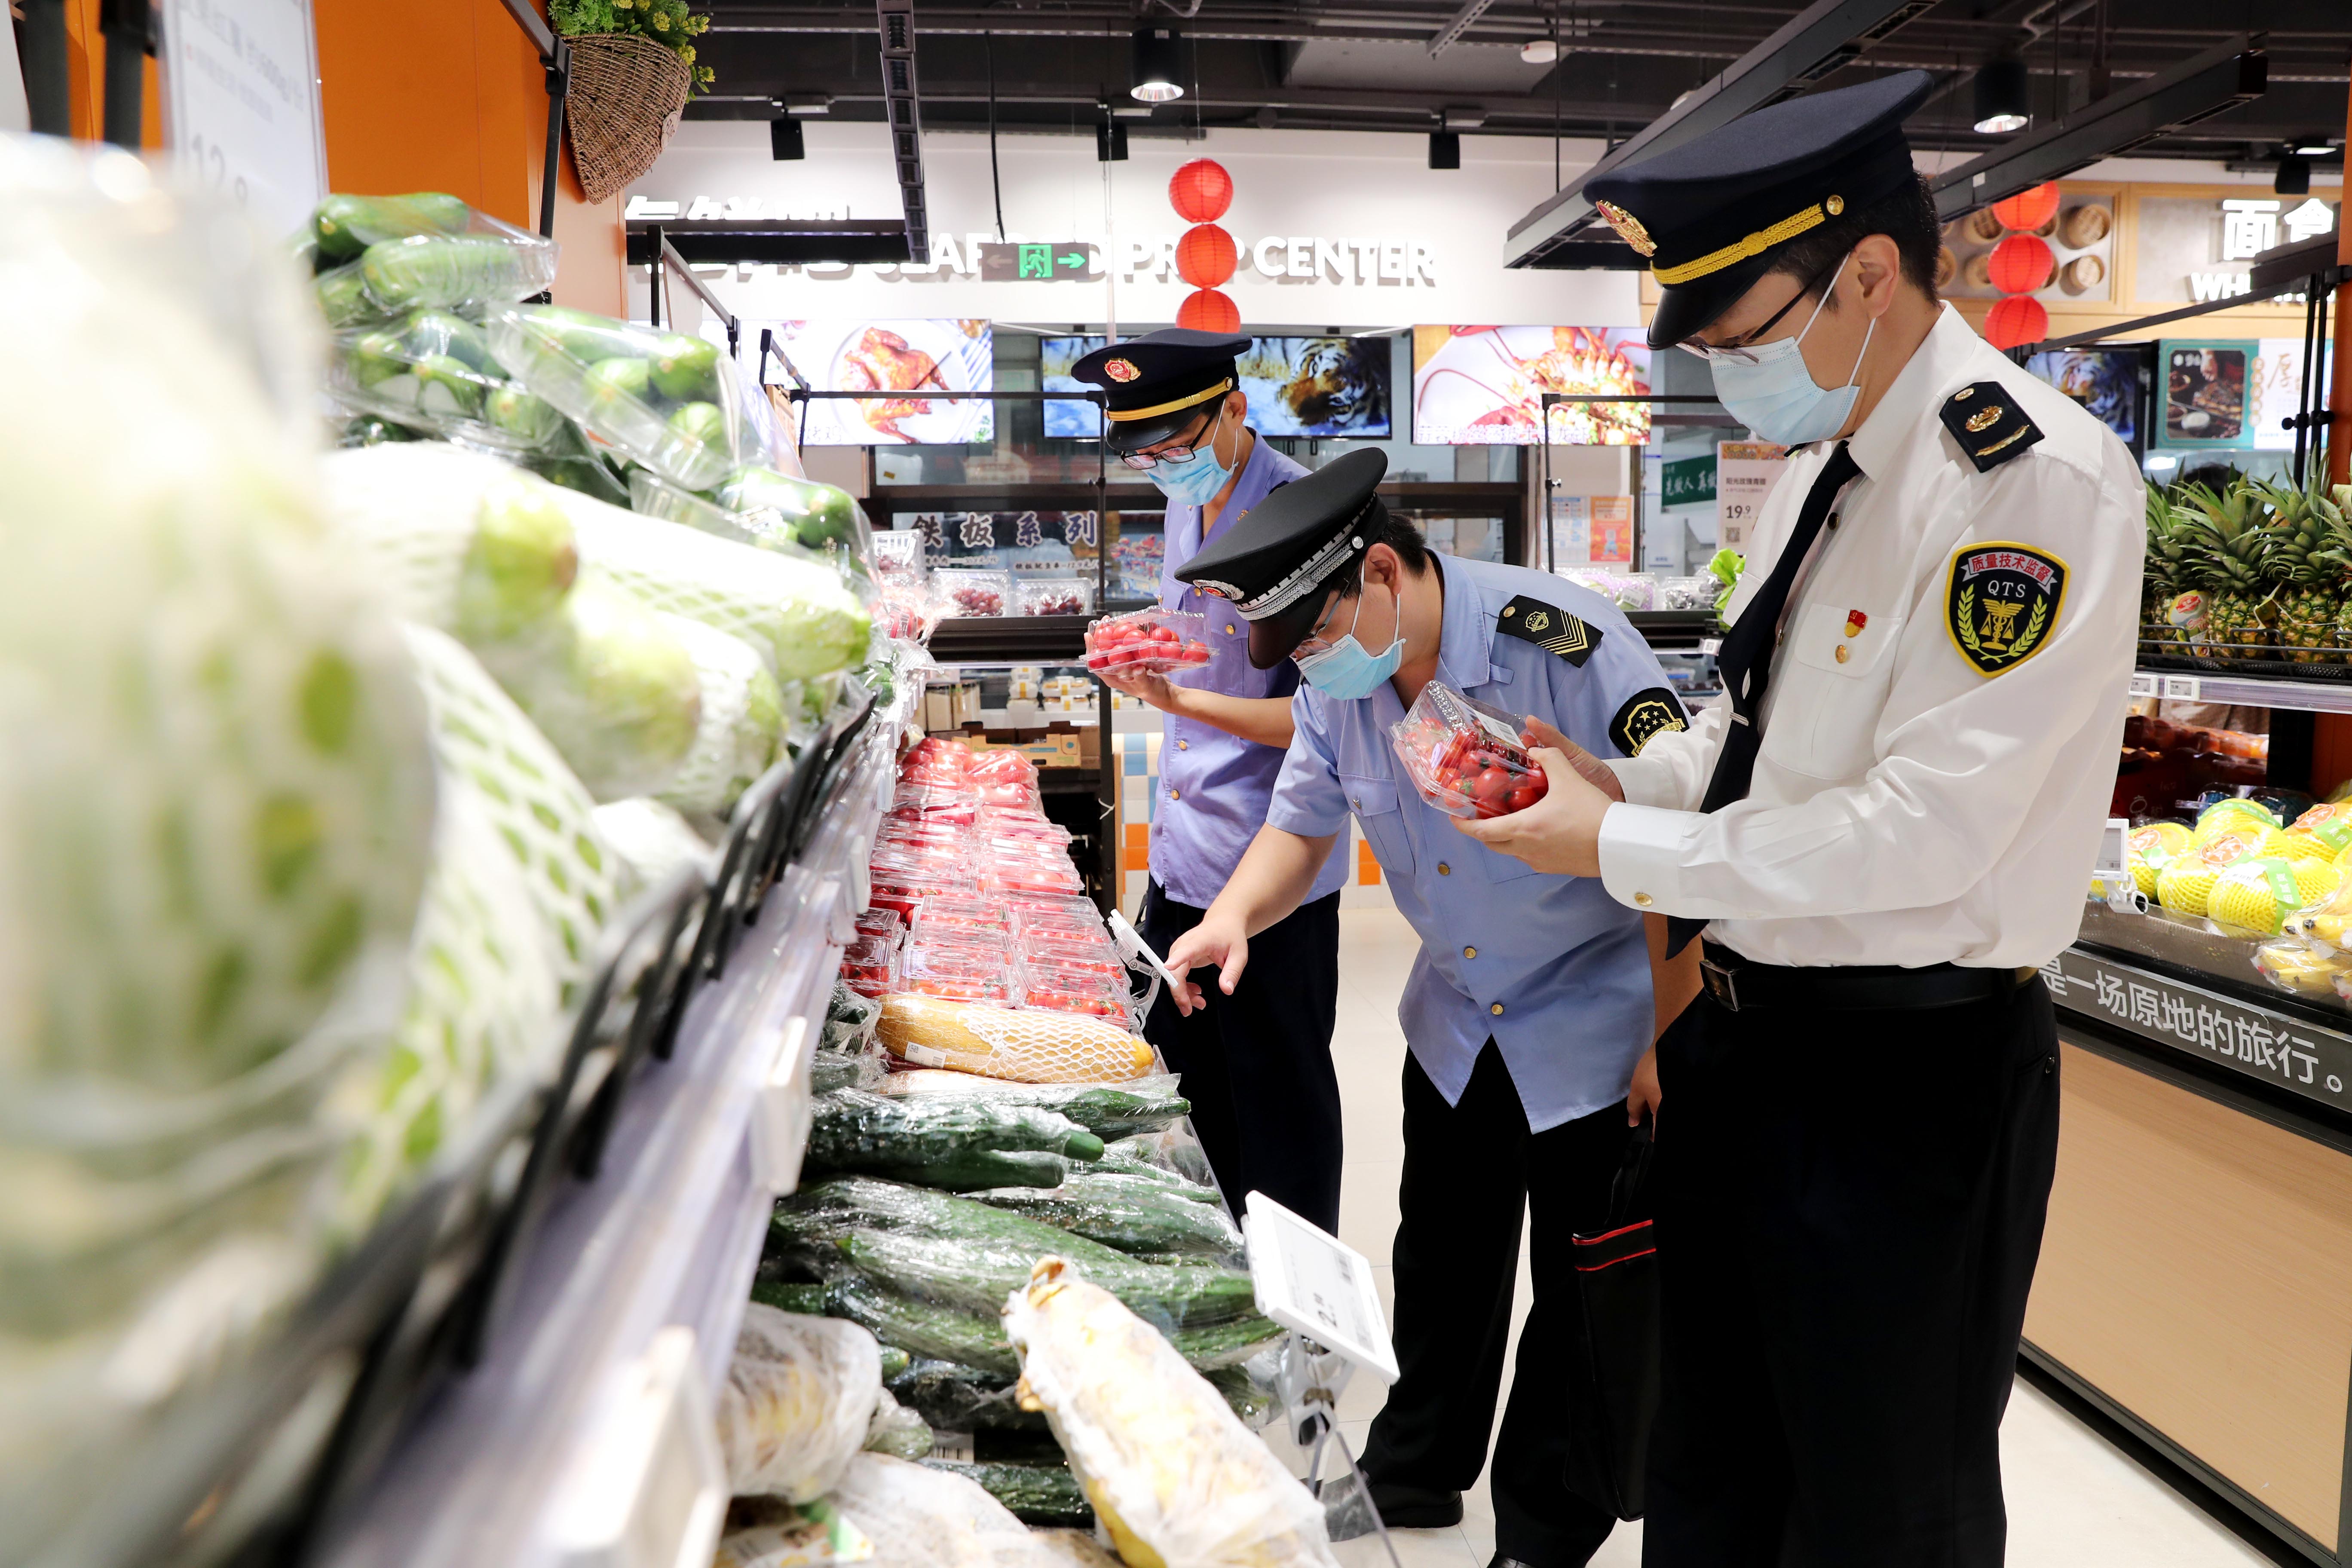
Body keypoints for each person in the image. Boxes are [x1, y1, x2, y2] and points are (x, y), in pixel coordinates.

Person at [1455, 70, 2144, 1565]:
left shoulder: (2024, 485)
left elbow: (1924, 830)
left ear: (1870, 275)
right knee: (1708, 1466)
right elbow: (1752, 731)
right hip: (1746, 1048)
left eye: (1741, 332)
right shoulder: (1822, 471)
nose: (1723, 370)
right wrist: (1601, 782)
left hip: (1910, 1078)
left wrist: (1623, 849)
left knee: (1879, 1494)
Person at [1160, 448, 1703, 1568]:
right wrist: (1231, 917)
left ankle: (1549, 1525)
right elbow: (1301, 825)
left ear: (1381, 576)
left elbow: (1675, 841)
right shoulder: (1339, 684)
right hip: (1457, 1016)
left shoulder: (1565, 644)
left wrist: (1667, 1031)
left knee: (1577, 1286)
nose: (1309, 664)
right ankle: (1417, 1464)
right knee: (1443, 1257)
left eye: (1314, 635)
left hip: (1594, 1020)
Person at [1069, 330, 1349, 1230]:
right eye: (1141, 453)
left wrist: (1179, 699)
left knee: (1282, 1120)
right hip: (1184, 863)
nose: (1162, 468)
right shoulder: (1187, 504)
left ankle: (1299, 1334)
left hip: (1272, 878)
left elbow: (1325, 720)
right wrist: (1140, 652)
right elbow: (1201, 644)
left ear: (1234, 408)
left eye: (1175, 447)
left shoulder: (1305, 515)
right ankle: (1218, 1298)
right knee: (1191, 1110)